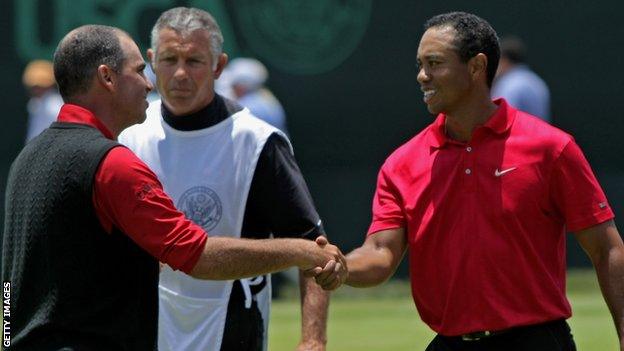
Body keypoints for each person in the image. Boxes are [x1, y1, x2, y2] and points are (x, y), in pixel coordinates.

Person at [1, 24, 345, 351]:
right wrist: (305, 252)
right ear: (107, 77)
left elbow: (9, 289)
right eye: (139, 70)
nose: (149, 84)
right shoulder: (112, 163)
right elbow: (196, 256)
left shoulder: (28, 157)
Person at [322, 11, 624, 351]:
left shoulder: (551, 148)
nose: (422, 76)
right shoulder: (401, 163)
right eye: (420, 64)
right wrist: (344, 267)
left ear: (477, 67)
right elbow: (379, 252)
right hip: (448, 344)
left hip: (537, 341)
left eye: (435, 63)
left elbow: (606, 247)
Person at [119, 7, 332, 351]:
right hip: (143, 326)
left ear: (218, 65)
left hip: (234, 327)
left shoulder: (258, 141)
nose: (180, 74)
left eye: (195, 61)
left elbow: (315, 248)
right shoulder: (129, 136)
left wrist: (313, 339)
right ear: (151, 61)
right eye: (170, 59)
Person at [491, 36, 551, 122]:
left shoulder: (509, 84)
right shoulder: (537, 80)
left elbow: (504, 118)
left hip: (519, 133)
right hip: (540, 133)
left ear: (505, 60)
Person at [225, 57, 288, 133]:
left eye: (234, 85)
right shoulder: (263, 98)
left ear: (242, 86)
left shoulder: (251, 107)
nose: (231, 88)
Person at [22, 59, 63, 141]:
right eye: (33, 86)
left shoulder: (55, 106)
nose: (36, 90)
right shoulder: (34, 104)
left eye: (40, 86)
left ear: (50, 84)